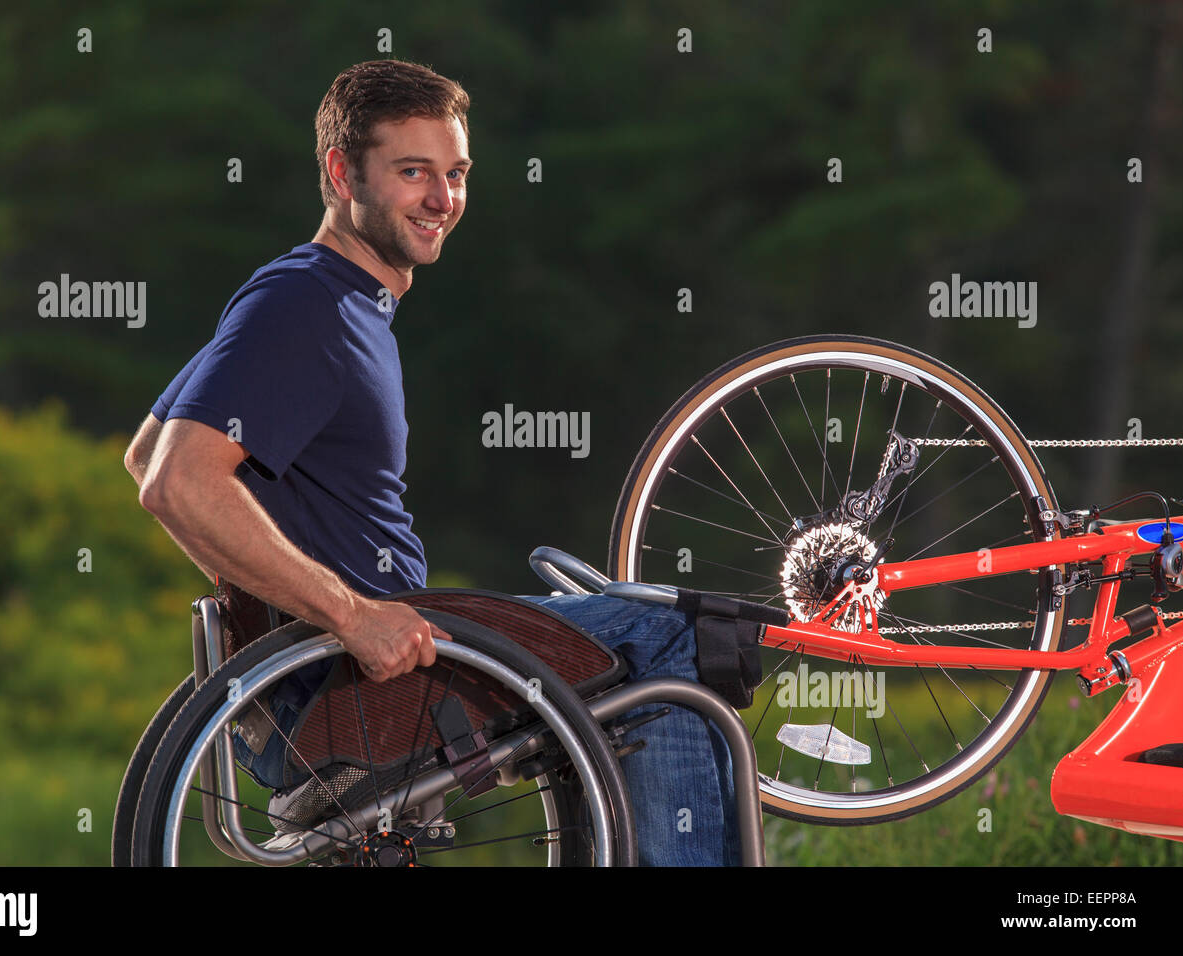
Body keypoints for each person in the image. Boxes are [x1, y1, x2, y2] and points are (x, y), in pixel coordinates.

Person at [124, 59, 738, 866]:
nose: (443, 200)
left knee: (633, 625)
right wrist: (347, 617)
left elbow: (141, 454)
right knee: (677, 635)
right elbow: (174, 479)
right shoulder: (309, 304)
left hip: (357, 674)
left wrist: (288, 602)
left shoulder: (322, 297)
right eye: (413, 172)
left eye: (456, 174)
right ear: (343, 173)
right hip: (374, 684)